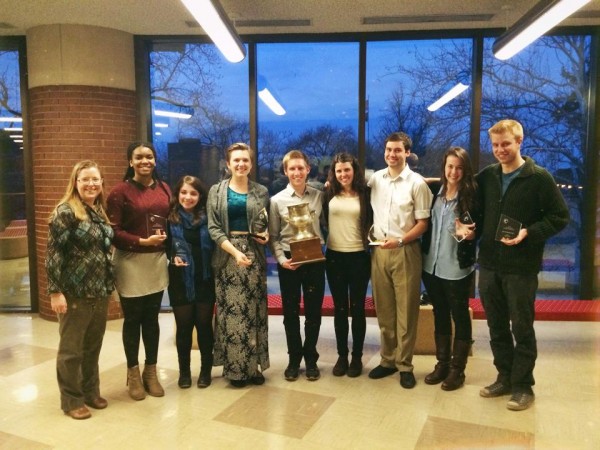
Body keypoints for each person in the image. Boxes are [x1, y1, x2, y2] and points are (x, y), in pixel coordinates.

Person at [476, 119, 569, 411]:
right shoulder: (488, 176)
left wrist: (529, 232)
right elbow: (470, 201)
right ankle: (504, 377)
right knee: (496, 326)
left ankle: (523, 385)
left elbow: (559, 217)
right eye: (495, 145)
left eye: (506, 144)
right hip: (489, 265)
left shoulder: (538, 177)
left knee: (522, 326)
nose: (500, 150)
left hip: (521, 267)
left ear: (519, 142)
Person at [46, 160, 114, 420]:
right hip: (74, 292)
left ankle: (90, 391)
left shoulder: (98, 210)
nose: (91, 184)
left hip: (99, 291)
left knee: (92, 347)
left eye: (95, 179)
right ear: (75, 182)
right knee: (71, 350)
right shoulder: (65, 211)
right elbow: (53, 254)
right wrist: (55, 292)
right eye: (85, 179)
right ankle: (71, 400)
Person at [367, 132, 433, 388]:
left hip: (405, 249)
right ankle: (387, 360)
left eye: (397, 150)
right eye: (388, 150)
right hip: (379, 251)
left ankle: (405, 365)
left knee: (406, 311)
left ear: (407, 153)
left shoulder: (417, 184)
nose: (391, 154)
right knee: (384, 310)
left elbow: (423, 224)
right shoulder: (376, 179)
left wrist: (401, 240)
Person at [107, 142, 171, 400]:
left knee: (152, 319)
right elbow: (113, 231)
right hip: (131, 261)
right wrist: (141, 242)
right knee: (133, 320)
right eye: (139, 157)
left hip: (156, 262)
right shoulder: (119, 192)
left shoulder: (165, 188)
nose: (145, 160)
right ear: (130, 162)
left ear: (155, 160)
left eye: (150, 156)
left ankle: (151, 372)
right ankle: (132, 374)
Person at [207, 143, 270, 388]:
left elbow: (264, 224)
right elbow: (214, 227)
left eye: (245, 160)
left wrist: (265, 237)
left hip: (254, 255)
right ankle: (235, 370)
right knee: (233, 315)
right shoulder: (217, 191)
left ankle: (253, 366)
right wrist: (234, 252)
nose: (241, 164)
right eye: (236, 160)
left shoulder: (261, 191)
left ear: (251, 164)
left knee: (254, 312)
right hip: (227, 256)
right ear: (228, 164)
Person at [421, 147, 479, 391]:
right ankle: (442, 364)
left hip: (456, 266)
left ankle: (458, 370)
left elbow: (480, 228)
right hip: (431, 265)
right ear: (443, 168)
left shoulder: (472, 196)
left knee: (460, 315)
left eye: (459, 167)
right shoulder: (436, 191)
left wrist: (472, 235)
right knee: (439, 313)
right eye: (450, 166)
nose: (454, 172)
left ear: (465, 170)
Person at [269, 150, 326, 382]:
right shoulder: (276, 201)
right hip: (290, 261)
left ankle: (311, 359)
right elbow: (273, 236)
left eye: (300, 168)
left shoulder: (320, 196)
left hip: (314, 259)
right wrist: (282, 260)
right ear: (285, 171)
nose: (296, 172)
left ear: (308, 169)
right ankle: (294, 359)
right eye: (292, 168)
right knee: (290, 314)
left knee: (314, 313)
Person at [323, 153, 372, 377]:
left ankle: (357, 358)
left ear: (355, 171)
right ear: (334, 173)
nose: (343, 174)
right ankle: (342, 356)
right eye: (339, 171)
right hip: (335, 257)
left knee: (358, 309)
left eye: (347, 170)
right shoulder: (328, 193)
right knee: (340, 310)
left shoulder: (366, 194)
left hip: (359, 257)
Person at [167, 175, 215, 389]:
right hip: (180, 279)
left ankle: (206, 371)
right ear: (177, 194)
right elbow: (164, 248)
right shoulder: (170, 219)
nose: (188, 197)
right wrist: (171, 258)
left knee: (204, 327)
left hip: (205, 279)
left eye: (193, 193)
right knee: (184, 328)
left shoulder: (210, 218)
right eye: (184, 192)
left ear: (200, 196)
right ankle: (184, 373)